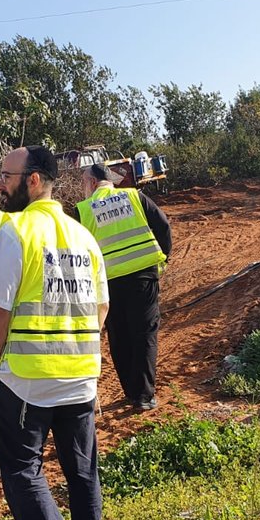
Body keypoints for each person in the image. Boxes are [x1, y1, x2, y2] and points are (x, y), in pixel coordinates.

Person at [0, 146, 109, 520]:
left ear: (33, 180)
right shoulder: (83, 236)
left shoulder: (16, 233)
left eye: (6, 175)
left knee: (20, 469)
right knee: (82, 468)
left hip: (27, 381)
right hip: (80, 374)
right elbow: (102, 307)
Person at [76, 163, 172, 410]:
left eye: (84, 183)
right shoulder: (134, 195)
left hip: (108, 282)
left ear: (93, 183)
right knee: (144, 334)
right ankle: (144, 396)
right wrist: (163, 258)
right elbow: (163, 225)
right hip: (143, 276)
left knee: (119, 336)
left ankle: (131, 391)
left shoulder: (83, 210)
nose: (83, 188)